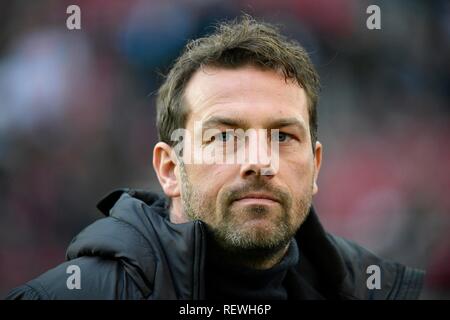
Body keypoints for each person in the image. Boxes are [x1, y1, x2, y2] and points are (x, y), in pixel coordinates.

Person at [6, 16, 424, 300]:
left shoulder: (378, 290)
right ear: (170, 170)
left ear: (315, 166)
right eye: (226, 136)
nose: (260, 162)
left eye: (282, 136)